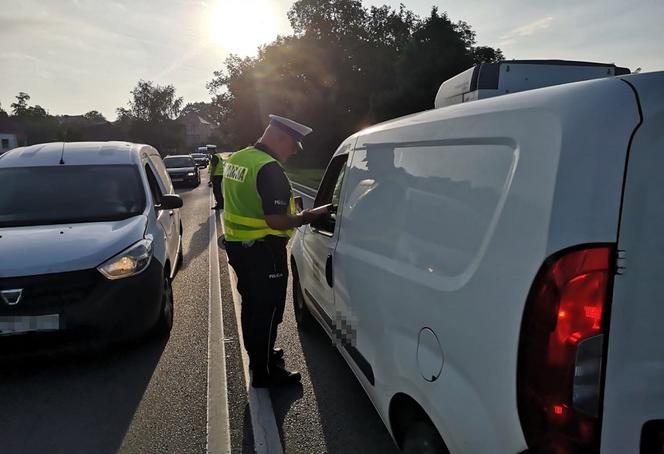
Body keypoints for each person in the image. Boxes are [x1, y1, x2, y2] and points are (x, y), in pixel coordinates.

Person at [222, 114, 327, 388]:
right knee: (267, 310)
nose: (293, 153)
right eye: (293, 145)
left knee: (253, 306)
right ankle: (264, 372)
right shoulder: (268, 168)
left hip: (240, 247)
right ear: (280, 138)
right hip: (264, 250)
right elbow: (275, 219)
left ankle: (260, 354)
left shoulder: (239, 158)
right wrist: (305, 217)